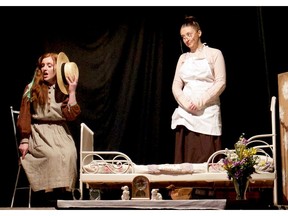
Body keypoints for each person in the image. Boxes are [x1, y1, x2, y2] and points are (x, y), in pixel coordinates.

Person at [17, 52, 81, 206]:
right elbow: (24, 115)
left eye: (49, 65)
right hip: (39, 132)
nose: (45, 69)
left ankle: (64, 194)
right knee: (51, 155)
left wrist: (72, 92)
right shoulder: (32, 87)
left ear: (57, 69)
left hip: (60, 132)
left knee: (69, 153)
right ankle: (47, 196)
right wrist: (24, 139)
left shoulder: (63, 89)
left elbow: (71, 115)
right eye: (42, 65)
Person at [171, 16, 226, 163]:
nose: (186, 39)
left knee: (206, 155)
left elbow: (220, 82)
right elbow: (176, 85)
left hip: (207, 111)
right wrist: (187, 103)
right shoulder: (183, 58)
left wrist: (199, 102)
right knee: (186, 157)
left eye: (189, 34)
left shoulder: (214, 54)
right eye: (183, 37)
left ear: (199, 33)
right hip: (186, 112)